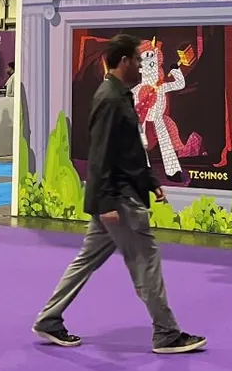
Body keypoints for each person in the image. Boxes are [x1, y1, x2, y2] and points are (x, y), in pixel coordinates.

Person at [33, 34, 206, 354]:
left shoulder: (120, 95)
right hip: (121, 201)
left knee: (86, 261)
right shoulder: (111, 98)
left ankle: (49, 318)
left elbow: (129, 149)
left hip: (120, 197)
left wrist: (152, 182)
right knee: (146, 263)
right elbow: (101, 153)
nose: (142, 66)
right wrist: (108, 200)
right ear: (124, 61)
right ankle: (167, 333)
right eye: (138, 60)